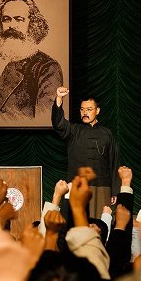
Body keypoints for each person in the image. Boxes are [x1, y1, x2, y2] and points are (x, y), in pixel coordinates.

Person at [0, 0, 63, 122]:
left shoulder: (47, 67)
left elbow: (45, 117)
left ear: (32, 24)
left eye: (19, 19)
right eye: (6, 19)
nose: (12, 25)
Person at [52, 86, 121, 218]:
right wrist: (59, 98)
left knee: (100, 224)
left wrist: (115, 191)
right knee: (77, 223)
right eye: (82, 109)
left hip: (102, 187)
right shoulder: (73, 130)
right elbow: (58, 123)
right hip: (78, 187)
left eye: (89, 110)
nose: (85, 113)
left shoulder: (107, 133)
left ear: (97, 111)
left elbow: (114, 161)